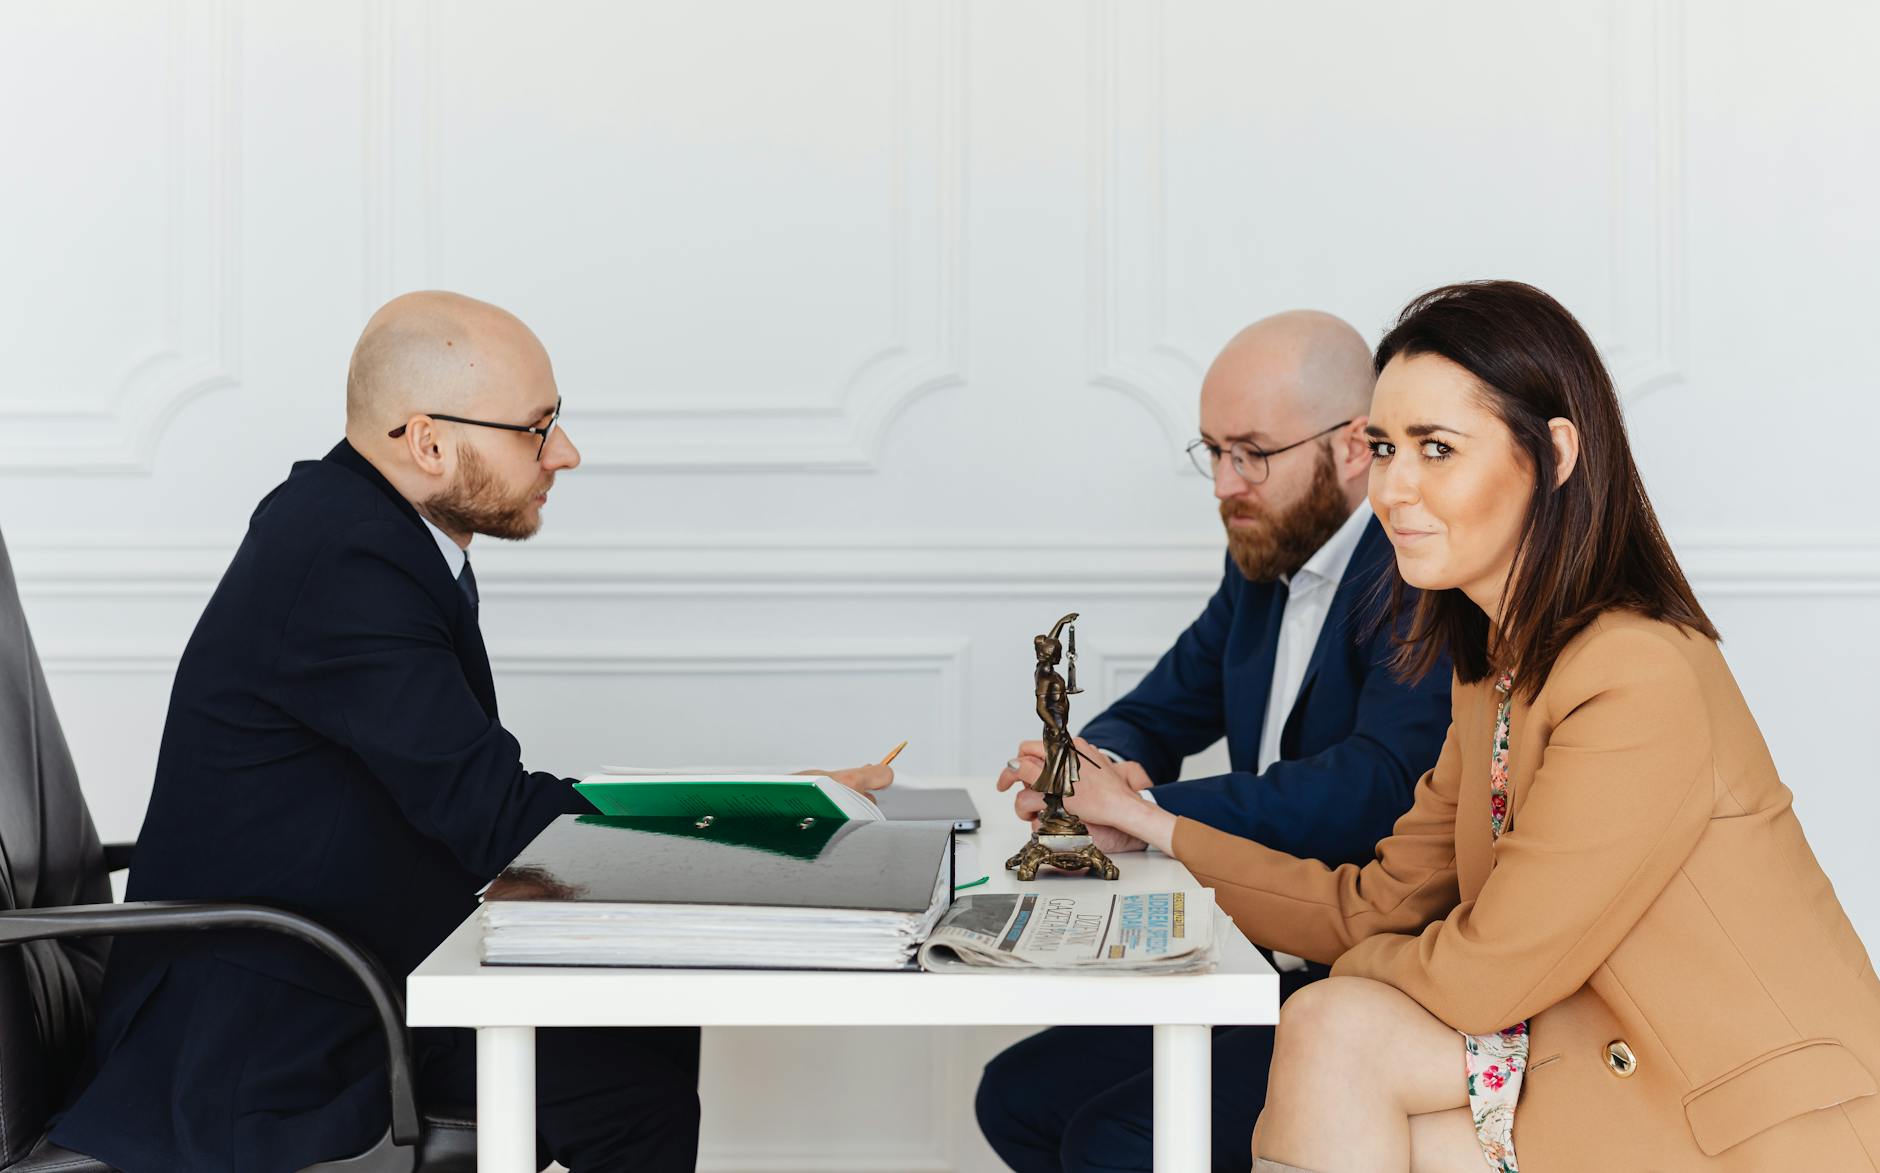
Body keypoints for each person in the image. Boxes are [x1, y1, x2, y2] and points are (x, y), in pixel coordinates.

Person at [1006, 281, 1880, 1171]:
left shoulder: (1637, 673)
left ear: (1556, 455)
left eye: (1437, 449)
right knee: (1331, 1037)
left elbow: (1484, 973)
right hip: (1599, 1063)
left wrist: (1336, 975)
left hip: (1748, 1111)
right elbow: (1378, 904)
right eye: (1385, 447)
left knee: (1330, 1025)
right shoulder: (1490, 671)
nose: (1395, 487)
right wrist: (1155, 825)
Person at [50, 292, 891, 1173]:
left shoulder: (374, 532)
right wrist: (760, 816)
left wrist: (760, 802)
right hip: (270, 1027)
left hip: (344, 958)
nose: (565, 452)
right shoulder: (346, 555)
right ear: (428, 442)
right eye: (536, 428)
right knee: (632, 1091)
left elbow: (468, 800)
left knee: (646, 1025)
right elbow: (493, 815)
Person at [977, 311, 1453, 1171]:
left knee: (1114, 1137)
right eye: (1213, 451)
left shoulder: (1418, 573)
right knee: (1016, 1096)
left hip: (1375, 972)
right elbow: (1164, 706)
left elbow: (1377, 784)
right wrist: (1095, 764)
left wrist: (1142, 810)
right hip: (1266, 949)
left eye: (1252, 453)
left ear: (1353, 446)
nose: (1224, 482)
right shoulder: (1264, 561)